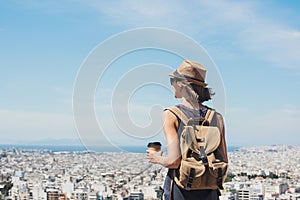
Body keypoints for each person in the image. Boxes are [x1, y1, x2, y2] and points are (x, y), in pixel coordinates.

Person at [146, 60, 228, 200]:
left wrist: (157, 158)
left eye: (173, 80)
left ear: (181, 84)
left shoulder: (171, 115)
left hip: (182, 189)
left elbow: (174, 161)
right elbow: (224, 158)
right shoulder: (217, 117)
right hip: (210, 189)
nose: (172, 84)